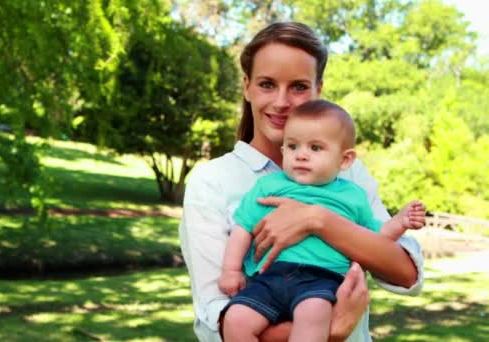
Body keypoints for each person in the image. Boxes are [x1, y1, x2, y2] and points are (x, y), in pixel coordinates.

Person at [179, 21, 424, 342]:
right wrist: (331, 332)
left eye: (298, 86)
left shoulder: (348, 172)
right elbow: (218, 322)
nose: (281, 102)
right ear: (246, 86)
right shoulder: (212, 182)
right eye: (267, 84)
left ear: (318, 89)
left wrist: (317, 220)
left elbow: (406, 273)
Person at [218, 99, 426, 342]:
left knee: (313, 318)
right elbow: (243, 226)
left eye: (315, 148)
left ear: (345, 159)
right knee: (235, 320)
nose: (302, 156)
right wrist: (231, 270)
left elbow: (375, 236)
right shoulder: (268, 186)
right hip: (270, 277)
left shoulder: (352, 196)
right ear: (284, 150)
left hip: (320, 281)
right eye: (293, 146)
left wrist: (400, 222)